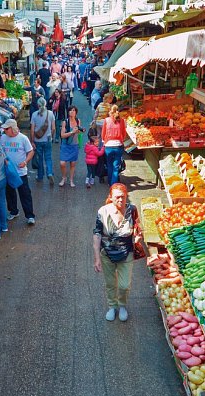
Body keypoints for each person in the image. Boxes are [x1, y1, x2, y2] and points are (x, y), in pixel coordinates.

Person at [93, 183, 142, 322]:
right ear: (111, 197)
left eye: (123, 197)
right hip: (107, 253)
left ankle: (122, 305)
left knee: (124, 284)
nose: (121, 200)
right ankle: (112, 306)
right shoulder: (103, 211)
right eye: (117, 197)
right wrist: (97, 258)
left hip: (126, 252)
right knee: (110, 283)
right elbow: (97, 234)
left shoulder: (132, 209)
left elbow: (137, 226)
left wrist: (138, 236)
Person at [0, 119, 36, 225]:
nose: (4, 130)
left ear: (12, 128)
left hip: (20, 172)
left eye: (6, 128)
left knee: (25, 193)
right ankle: (13, 211)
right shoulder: (3, 138)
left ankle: (30, 215)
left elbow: (30, 152)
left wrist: (25, 162)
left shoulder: (23, 138)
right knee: (9, 193)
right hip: (8, 171)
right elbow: (1, 151)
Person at [30, 97, 55, 184]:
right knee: (48, 158)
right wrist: (51, 137)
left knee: (39, 158)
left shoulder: (34, 114)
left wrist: (32, 141)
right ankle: (50, 173)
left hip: (38, 140)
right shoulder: (50, 113)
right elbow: (53, 128)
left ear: (38, 105)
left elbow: (32, 130)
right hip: (47, 139)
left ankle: (40, 176)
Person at [102, 105, 127, 186]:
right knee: (116, 167)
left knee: (109, 165)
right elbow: (124, 133)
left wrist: (104, 141)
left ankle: (110, 183)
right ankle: (114, 184)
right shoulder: (122, 121)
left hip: (108, 146)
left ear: (110, 112)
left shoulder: (106, 120)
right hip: (118, 146)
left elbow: (103, 133)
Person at [59, 105, 82, 188]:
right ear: (68, 112)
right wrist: (72, 132)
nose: (72, 112)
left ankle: (71, 180)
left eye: (73, 110)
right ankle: (64, 178)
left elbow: (78, 132)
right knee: (62, 163)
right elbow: (62, 135)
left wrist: (80, 131)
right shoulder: (65, 122)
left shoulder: (78, 121)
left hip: (74, 145)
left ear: (76, 112)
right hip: (65, 145)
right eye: (70, 110)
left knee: (73, 163)